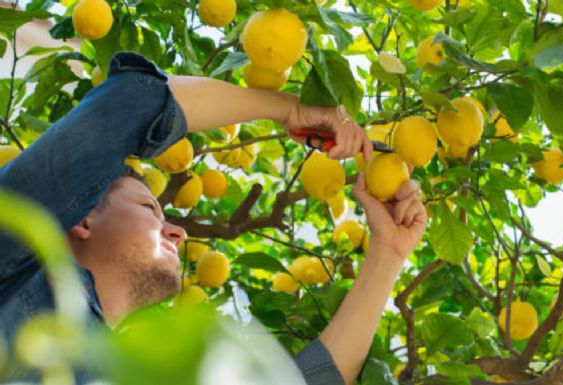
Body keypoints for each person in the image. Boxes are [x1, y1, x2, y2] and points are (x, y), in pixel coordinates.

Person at [0, 52, 426, 385]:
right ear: (83, 218)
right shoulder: (12, 251)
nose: (179, 231)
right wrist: (290, 110)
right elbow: (132, 104)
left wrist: (388, 250)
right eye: (149, 208)